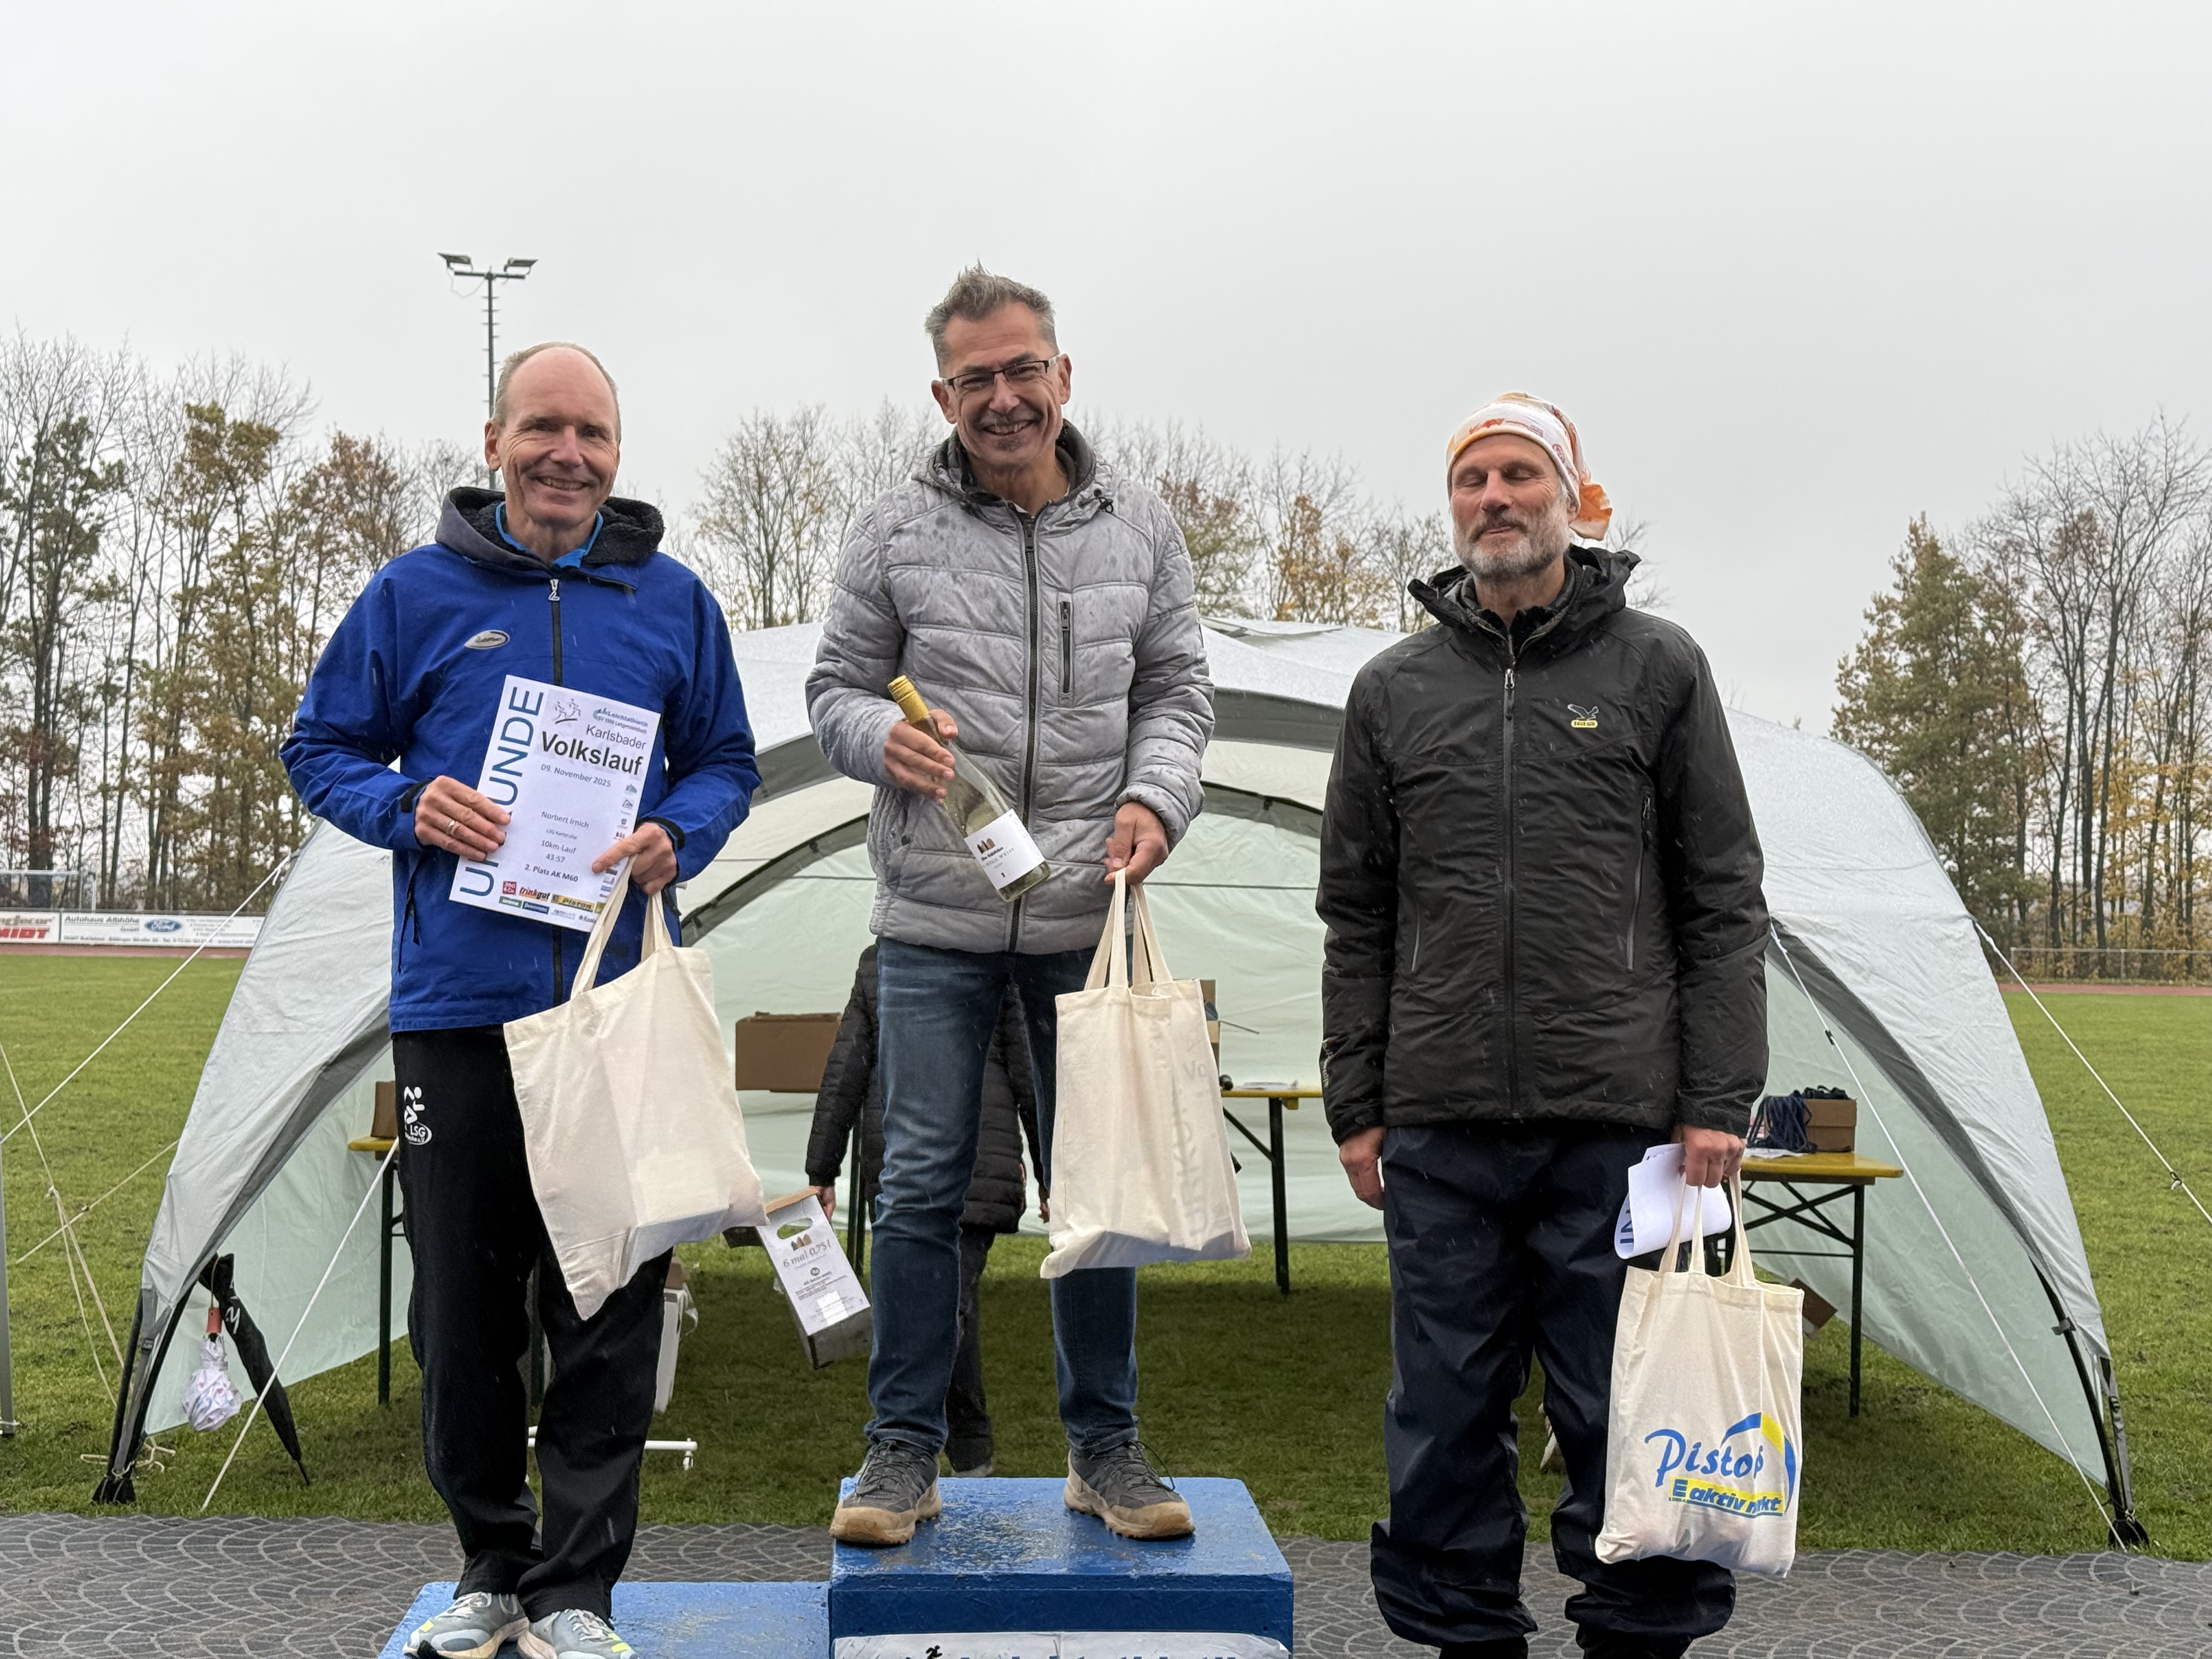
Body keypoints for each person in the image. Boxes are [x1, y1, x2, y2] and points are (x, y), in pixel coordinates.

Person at [283, 342, 759, 1659]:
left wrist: (679, 831)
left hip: (615, 1008)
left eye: (593, 434)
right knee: (462, 1311)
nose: (569, 454)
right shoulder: (412, 593)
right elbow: (317, 747)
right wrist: (406, 806)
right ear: (493, 442)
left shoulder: (674, 602)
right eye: (543, 428)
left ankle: (578, 1591)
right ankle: (491, 1564)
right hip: (459, 1006)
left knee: (609, 1304)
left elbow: (724, 760)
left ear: (619, 453)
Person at [1317, 393, 1768, 1659]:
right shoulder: (1392, 691)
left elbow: (1723, 897)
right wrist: (1358, 1101)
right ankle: (1467, 1639)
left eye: (1520, 476)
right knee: (1444, 1420)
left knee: (1634, 1410)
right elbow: (1356, 914)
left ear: (1573, 500)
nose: (1495, 499)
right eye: (1472, 480)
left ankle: (1641, 1638)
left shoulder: (1660, 668)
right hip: (1442, 1125)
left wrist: (1718, 1100)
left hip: (1629, 1128)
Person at [806, 266, 1214, 1546]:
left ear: (1063, 375)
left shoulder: (1142, 528)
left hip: (1087, 917)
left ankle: (1107, 1451)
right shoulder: (889, 532)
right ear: (943, 397)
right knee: (919, 1185)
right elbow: (833, 689)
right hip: (934, 920)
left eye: (1023, 369)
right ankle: (901, 1453)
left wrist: (1155, 798)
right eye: (975, 378)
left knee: (1097, 1190)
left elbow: (1179, 690)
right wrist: (879, 739)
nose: (1003, 397)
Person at [805, 942, 1045, 1477]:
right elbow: (1027, 1068)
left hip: (917, 1164)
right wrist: (821, 1168)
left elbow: (847, 1069)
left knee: (934, 1308)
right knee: (948, 1306)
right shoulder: (988, 957)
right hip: (952, 1163)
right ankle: (967, 1454)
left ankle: (910, 1447)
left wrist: (822, 1169)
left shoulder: (883, 962)